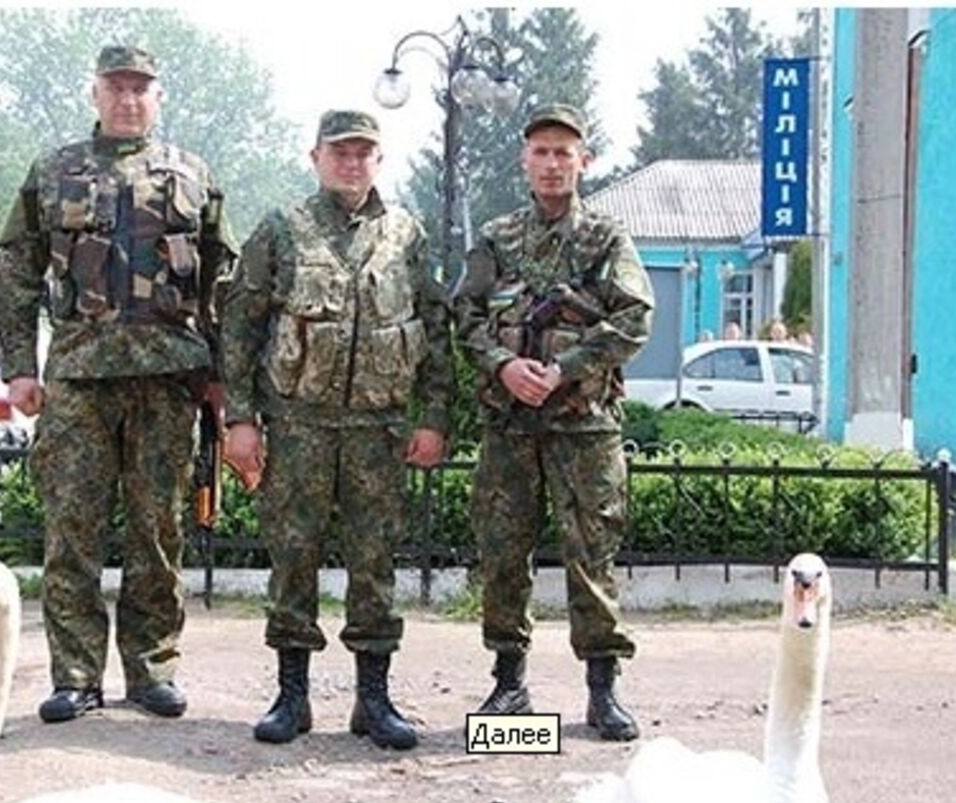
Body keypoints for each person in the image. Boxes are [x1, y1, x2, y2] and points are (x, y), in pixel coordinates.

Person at [0, 45, 236, 723]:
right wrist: (19, 364)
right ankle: (74, 676)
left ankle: (153, 667)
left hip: (166, 379)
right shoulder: (54, 171)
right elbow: (13, 268)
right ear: (94, 93)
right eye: (116, 87)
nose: (129, 99)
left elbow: (223, 282)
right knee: (72, 531)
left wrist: (218, 376)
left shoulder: (192, 174)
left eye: (141, 88)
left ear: (159, 97)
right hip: (78, 376)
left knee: (158, 531)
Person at [222, 110, 454, 749]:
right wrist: (239, 419)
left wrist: (434, 418)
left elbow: (434, 332)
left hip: (378, 429)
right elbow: (240, 327)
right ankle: (291, 697)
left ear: (379, 160)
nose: (352, 163)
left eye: (364, 153)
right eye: (340, 153)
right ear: (316, 156)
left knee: (374, 563)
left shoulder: (406, 234)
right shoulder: (282, 231)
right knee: (292, 558)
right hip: (299, 424)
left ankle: (373, 700)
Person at [456, 104, 653, 742]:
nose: (551, 163)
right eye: (540, 151)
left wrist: (565, 367)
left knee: (591, 552)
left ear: (584, 161)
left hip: (584, 424)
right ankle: (509, 686)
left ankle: (602, 691)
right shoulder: (495, 239)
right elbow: (463, 317)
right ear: (524, 160)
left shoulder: (606, 239)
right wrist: (504, 364)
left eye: (563, 152)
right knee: (503, 553)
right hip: (510, 424)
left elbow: (634, 319)